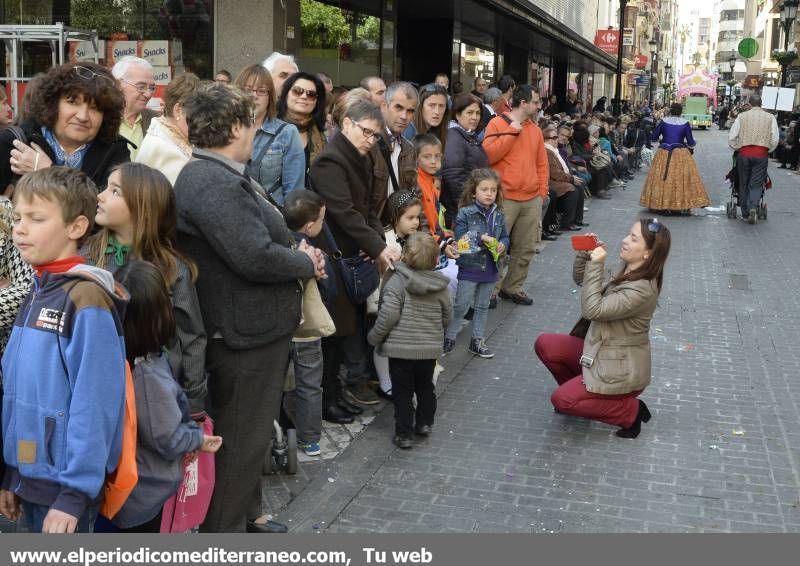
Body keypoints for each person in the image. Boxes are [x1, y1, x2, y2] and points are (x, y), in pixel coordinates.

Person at [173, 84, 323, 533]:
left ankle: (246, 517)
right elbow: (252, 255)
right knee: (240, 440)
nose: (256, 131)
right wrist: (304, 261)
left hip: (250, 329)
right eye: (253, 122)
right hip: (241, 335)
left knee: (251, 436)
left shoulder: (221, 172)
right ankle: (224, 535)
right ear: (237, 126)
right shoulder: (209, 179)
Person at [0, 167, 127, 533]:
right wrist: (14, 475)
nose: (20, 228)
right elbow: (21, 396)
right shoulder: (39, 290)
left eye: (36, 219)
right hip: (31, 481)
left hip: (65, 494)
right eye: (18, 217)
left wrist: (74, 493)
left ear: (76, 227)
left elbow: (96, 403)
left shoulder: (85, 300)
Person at [107, 260, 222, 533]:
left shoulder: (121, 359)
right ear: (161, 313)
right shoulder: (149, 374)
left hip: (127, 487)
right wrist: (197, 439)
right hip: (142, 494)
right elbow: (167, 438)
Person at [83, 162, 207, 412]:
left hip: (156, 396)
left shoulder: (173, 269)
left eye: (114, 191)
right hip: (99, 391)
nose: (100, 195)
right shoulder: (86, 257)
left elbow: (191, 336)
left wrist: (194, 398)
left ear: (144, 209)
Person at [534, 217, 672, 439]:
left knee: (562, 399)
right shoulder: (626, 268)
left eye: (633, 239)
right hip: (599, 353)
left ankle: (631, 412)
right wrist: (586, 255)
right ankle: (582, 396)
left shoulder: (642, 289)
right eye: (629, 234)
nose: (625, 240)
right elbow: (584, 280)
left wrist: (597, 265)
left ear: (648, 253)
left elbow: (593, 309)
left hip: (620, 370)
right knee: (546, 344)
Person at [309, 100, 399, 419]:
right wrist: (377, 246)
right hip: (333, 258)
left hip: (350, 256)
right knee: (332, 336)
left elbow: (364, 208)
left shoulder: (357, 156)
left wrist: (378, 239)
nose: (370, 140)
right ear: (346, 124)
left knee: (344, 333)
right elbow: (344, 212)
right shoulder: (330, 161)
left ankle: (334, 394)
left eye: (376, 136)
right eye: (366, 132)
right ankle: (326, 401)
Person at [368, 232, 452, 450]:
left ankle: (404, 433)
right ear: (435, 260)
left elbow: (388, 316)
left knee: (402, 392)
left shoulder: (397, 281)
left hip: (400, 351)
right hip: (428, 351)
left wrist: (374, 338)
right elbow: (447, 317)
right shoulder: (441, 286)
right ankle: (424, 423)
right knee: (426, 387)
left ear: (404, 256)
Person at [0, 62, 129, 191]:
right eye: (73, 102)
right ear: (53, 103)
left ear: (105, 115)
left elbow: (111, 208)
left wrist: (47, 171)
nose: (83, 116)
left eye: (95, 108)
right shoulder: (15, 142)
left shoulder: (116, 151)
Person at [482, 84, 547, 307]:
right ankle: (490, 290)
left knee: (525, 248)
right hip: (505, 197)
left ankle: (513, 287)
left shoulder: (536, 131)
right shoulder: (497, 123)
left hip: (531, 198)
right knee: (496, 246)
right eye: (536, 102)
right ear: (523, 103)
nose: (539, 106)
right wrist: (512, 131)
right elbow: (489, 155)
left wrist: (542, 193)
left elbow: (541, 164)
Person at [281, 189, 332, 454]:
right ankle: (309, 439)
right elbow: (330, 288)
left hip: (280, 330)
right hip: (308, 331)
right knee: (310, 384)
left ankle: (275, 431)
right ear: (310, 226)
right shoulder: (314, 251)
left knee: (273, 384)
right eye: (322, 221)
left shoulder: (277, 246)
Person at [443, 168, 508, 359]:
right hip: (470, 267)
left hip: (491, 267)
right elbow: (461, 239)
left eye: (493, 190)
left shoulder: (499, 214)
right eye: (484, 189)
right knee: (462, 305)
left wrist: (503, 244)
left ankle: (477, 340)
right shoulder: (465, 213)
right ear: (474, 192)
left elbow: (504, 236)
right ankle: (450, 337)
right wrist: (482, 238)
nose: (489, 194)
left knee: (482, 306)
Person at [371, 190, 425, 400]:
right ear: (395, 217)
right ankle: (385, 382)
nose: (415, 222)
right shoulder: (386, 240)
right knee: (383, 340)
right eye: (410, 218)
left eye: (417, 217)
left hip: (405, 298)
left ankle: (397, 378)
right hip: (386, 298)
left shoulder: (413, 239)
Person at [235, 64, 305, 205]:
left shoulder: (287, 133)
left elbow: (294, 193)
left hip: (271, 217)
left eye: (261, 91)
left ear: (270, 96)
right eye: (247, 90)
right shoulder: (225, 129)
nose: (254, 95)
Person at [640, 103, 710, 215]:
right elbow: (691, 142)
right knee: (680, 178)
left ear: (671, 111)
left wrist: (662, 139)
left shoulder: (663, 121)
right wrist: (689, 144)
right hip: (680, 152)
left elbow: (654, 138)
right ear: (681, 112)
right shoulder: (685, 123)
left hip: (664, 152)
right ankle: (677, 204)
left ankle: (660, 203)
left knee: (662, 177)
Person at [367, 81, 419, 227]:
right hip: (371, 229)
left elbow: (413, 197)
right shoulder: (369, 143)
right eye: (399, 108)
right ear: (384, 106)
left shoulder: (409, 149)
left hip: (396, 229)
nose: (404, 116)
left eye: (410, 111)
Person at [135, 72, 201, 185]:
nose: (202, 121)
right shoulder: (165, 149)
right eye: (199, 113)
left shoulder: (166, 135)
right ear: (178, 110)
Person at [728, 94, 780, 224]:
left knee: (743, 182)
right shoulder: (770, 117)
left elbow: (732, 136)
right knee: (756, 183)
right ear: (761, 104)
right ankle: (753, 207)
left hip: (744, 153)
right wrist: (768, 149)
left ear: (749, 104)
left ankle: (745, 213)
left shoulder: (742, 116)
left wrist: (737, 147)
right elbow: (775, 138)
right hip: (761, 154)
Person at [441, 93, 489, 228]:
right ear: (457, 114)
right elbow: (454, 175)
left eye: (478, 113)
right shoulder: (454, 137)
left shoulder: (467, 135)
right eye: (469, 112)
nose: (475, 117)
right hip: (461, 211)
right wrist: (470, 205)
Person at [277, 72, 327, 178]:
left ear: (317, 101)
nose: (304, 96)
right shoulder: (268, 128)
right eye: (297, 91)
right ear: (286, 94)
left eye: (311, 94)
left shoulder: (322, 136)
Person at [111, 57, 157, 160]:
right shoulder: (100, 119)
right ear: (118, 84)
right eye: (141, 87)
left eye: (152, 88)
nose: (148, 94)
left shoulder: (157, 121)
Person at [542, 126, 582, 232]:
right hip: (552, 181)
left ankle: (576, 220)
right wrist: (571, 178)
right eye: (554, 137)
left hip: (558, 179)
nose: (557, 139)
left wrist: (572, 177)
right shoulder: (547, 151)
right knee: (572, 189)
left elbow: (565, 168)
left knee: (579, 186)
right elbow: (554, 173)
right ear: (546, 139)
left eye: (556, 137)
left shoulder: (555, 150)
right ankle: (566, 223)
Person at [402, 84, 449, 149]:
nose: (437, 112)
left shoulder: (439, 131)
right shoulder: (408, 132)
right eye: (432, 105)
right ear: (420, 107)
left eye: (441, 106)